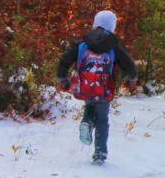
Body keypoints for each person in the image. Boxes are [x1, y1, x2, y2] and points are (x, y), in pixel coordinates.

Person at [57, 10, 138, 165]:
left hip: (85, 87)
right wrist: (131, 79)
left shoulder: (83, 43)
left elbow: (65, 59)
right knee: (102, 118)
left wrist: (63, 78)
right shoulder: (113, 46)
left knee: (90, 106)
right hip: (104, 89)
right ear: (112, 26)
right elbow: (129, 65)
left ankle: (86, 122)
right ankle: (100, 153)